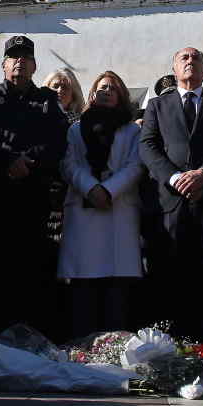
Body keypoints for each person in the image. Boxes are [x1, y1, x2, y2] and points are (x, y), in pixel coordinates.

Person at [0, 35, 69, 343]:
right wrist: (9, 159)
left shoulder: (46, 100)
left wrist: (28, 160)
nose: (19, 61)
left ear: (34, 65)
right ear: (3, 64)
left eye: (26, 57)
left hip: (32, 197)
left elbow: (57, 141)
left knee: (29, 271)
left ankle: (28, 342)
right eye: (13, 57)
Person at [139, 46, 203, 341]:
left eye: (197, 59)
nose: (190, 62)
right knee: (169, 275)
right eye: (184, 58)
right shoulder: (158, 106)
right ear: (174, 69)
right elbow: (148, 146)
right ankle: (169, 347)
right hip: (170, 204)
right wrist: (175, 178)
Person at [58, 71, 144, 336]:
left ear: (121, 96)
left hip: (118, 211)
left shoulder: (133, 131)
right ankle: (82, 355)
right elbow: (68, 163)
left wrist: (108, 190)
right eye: (101, 87)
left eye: (113, 88)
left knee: (116, 296)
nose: (106, 91)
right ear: (93, 93)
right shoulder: (74, 129)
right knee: (84, 293)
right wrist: (91, 188)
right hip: (84, 212)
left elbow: (136, 165)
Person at [43, 68, 85, 249]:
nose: (60, 90)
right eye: (55, 86)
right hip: (44, 189)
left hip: (73, 190)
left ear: (73, 93)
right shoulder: (37, 118)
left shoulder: (83, 124)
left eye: (65, 87)